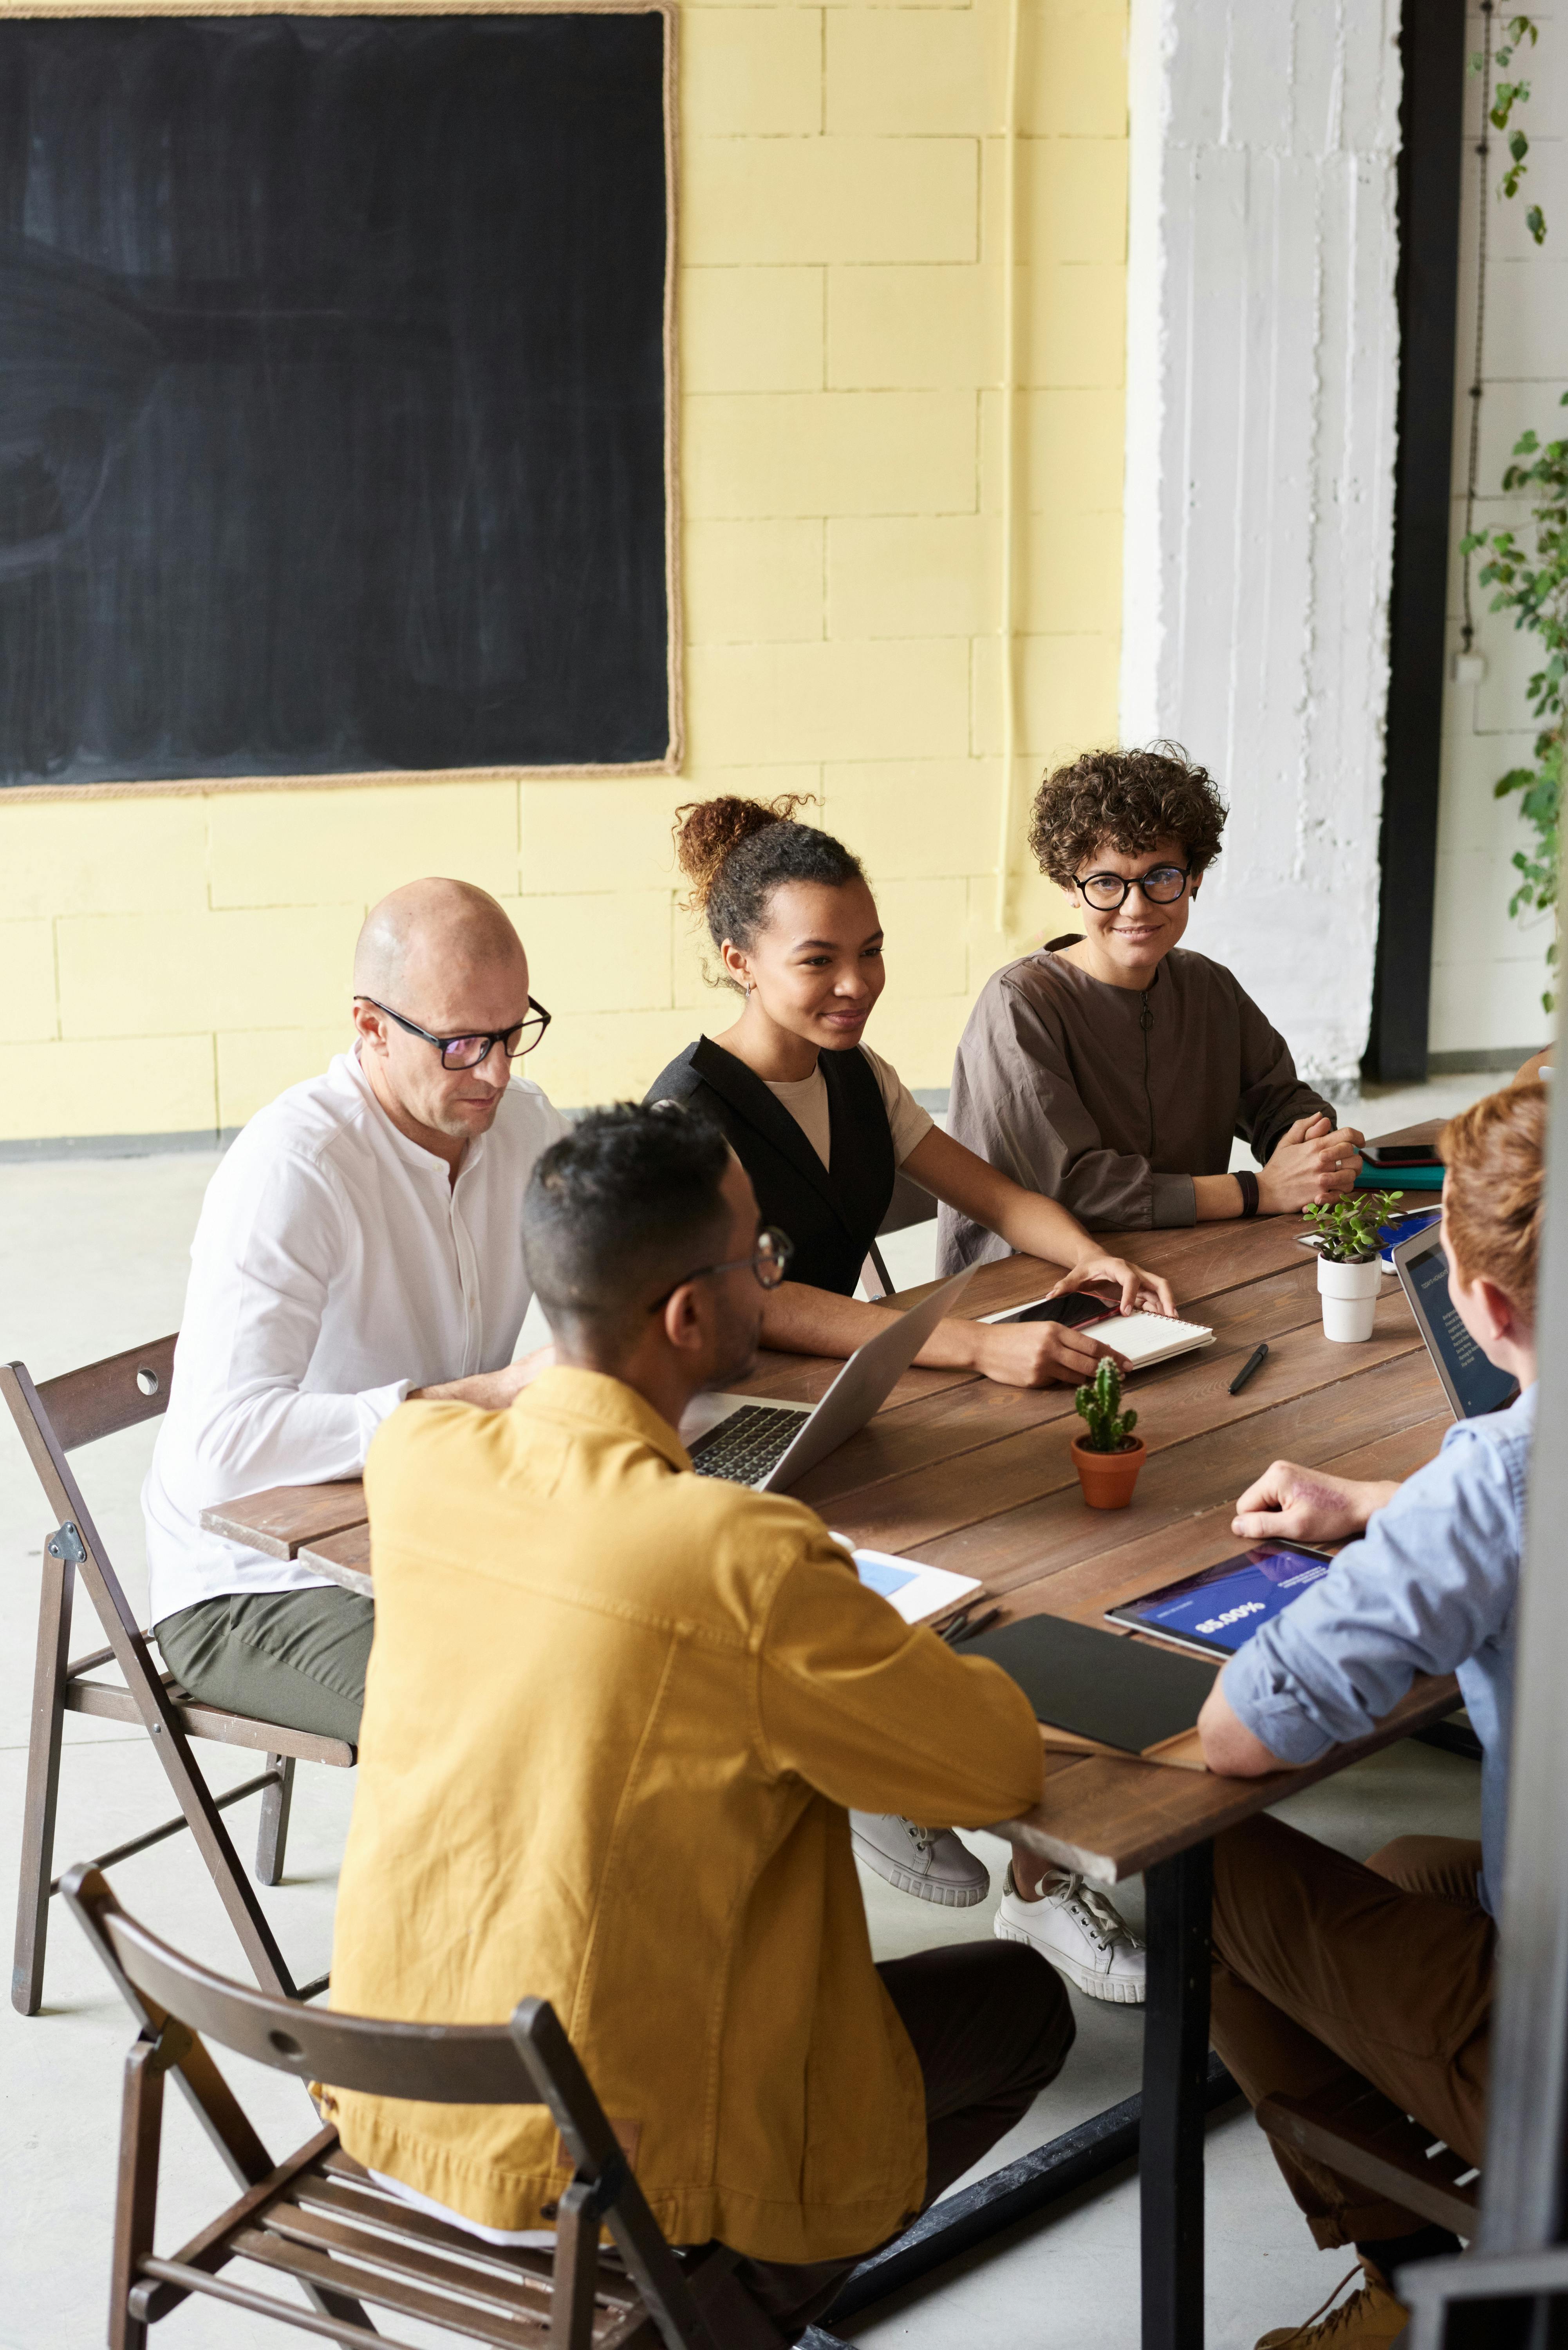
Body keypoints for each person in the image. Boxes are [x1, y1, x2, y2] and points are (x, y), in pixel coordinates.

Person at [322, 1103, 1076, 2348]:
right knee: (1020, 2009)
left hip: (395, 2101)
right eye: (757, 1259)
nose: (769, 1276)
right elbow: (992, 1766)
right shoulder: (736, 1558)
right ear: (687, 1316)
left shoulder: (419, 1459)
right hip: (603, 2171)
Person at [642, 792, 1165, 1982]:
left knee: (1040, 1528)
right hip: (727, 1434)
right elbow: (759, 1301)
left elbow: (983, 1190)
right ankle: (868, 1759)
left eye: (869, 950)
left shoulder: (857, 1074)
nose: (854, 982)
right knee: (991, 1547)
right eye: (817, 960)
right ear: (739, 962)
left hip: (844, 1398)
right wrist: (972, 1347)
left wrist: (1082, 1252)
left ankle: (1007, 1843)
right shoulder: (691, 1108)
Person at [1194, 1079, 1544, 2349]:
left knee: (1214, 1874)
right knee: (1399, 1870)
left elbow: (1241, 1730)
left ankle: (1412, 2278)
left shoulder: (1500, 1484)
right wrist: (1384, 1504)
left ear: (1485, 1305)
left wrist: (1434, 1515)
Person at [144, 879, 565, 1743]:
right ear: (371, 1026)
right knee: (499, 1729)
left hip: (427, 1527)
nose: (494, 1071)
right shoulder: (294, 1168)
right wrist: (494, 1395)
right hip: (253, 1586)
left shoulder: (521, 1126)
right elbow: (218, 1453)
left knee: (656, 1638)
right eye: (457, 1043)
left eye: (511, 1031)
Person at [938, 744, 1366, 1274]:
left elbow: (1278, 1099)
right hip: (1039, 1283)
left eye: (1161, 876)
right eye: (1106, 883)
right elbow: (1079, 1189)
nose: (1136, 907)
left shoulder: (1208, 987)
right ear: (1070, 887)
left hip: (1185, 1254)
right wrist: (1259, 1190)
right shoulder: (1020, 1005)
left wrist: (1310, 1147)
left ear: (1195, 878)